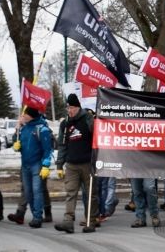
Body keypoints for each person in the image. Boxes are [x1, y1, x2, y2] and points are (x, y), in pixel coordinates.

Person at [54, 94, 99, 234]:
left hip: (88, 163)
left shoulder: (87, 118)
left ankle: (91, 221)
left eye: (72, 107)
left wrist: (95, 120)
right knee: (70, 193)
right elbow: (62, 145)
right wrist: (59, 165)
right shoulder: (65, 123)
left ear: (78, 107)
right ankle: (68, 221)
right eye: (68, 107)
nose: (69, 110)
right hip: (71, 165)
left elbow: (97, 135)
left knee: (91, 194)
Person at [17, 107, 54, 228]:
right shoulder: (24, 128)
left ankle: (37, 217)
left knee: (37, 191)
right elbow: (20, 143)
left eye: (25, 114)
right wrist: (17, 144)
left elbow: (48, 150)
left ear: (30, 115)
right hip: (25, 165)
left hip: (37, 165)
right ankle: (35, 214)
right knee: (28, 192)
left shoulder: (42, 129)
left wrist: (46, 165)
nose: (23, 116)